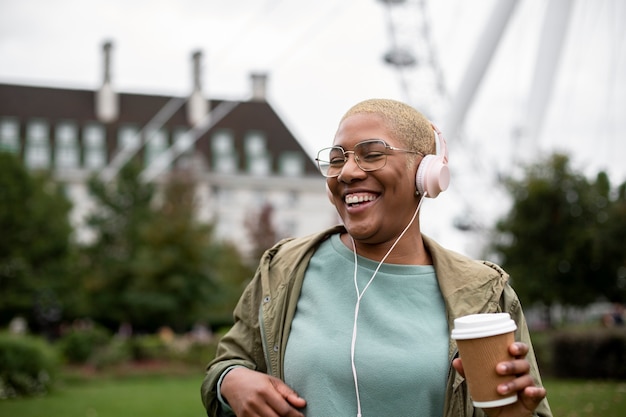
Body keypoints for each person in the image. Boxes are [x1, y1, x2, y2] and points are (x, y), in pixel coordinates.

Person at [201, 98, 551, 417]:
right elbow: (228, 363)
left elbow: (526, 407)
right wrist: (230, 382)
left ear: (425, 173)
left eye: (371, 154)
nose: (348, 172)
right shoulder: (283, 268)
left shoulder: (484, 293)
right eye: (337, 159)